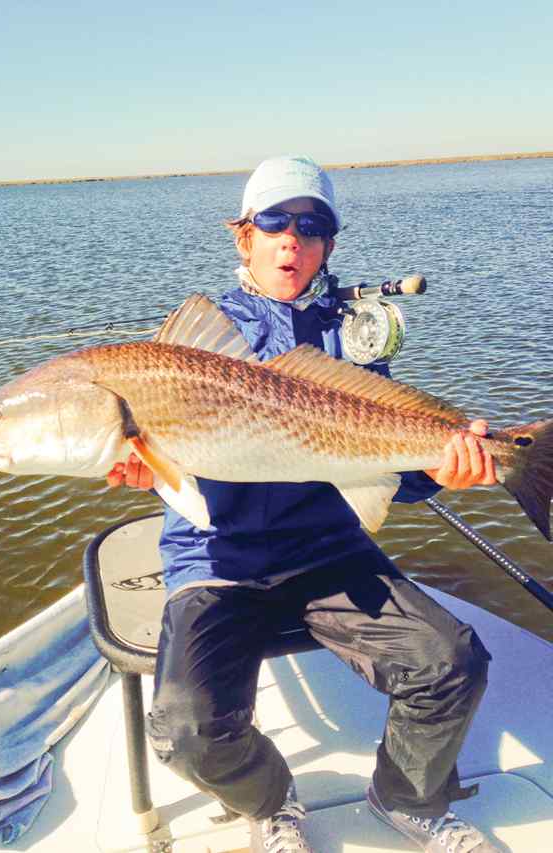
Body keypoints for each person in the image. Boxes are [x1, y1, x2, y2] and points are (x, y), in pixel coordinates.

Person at [108, 155, 500, 853]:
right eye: (274, 222)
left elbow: (388, 472)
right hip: (218, 558)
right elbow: (156, 458)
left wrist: (445, 471)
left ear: (328, 246)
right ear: (245, 236)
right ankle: (271, 802)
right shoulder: (192, 340)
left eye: (312, 227)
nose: (292, 239)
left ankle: (407, 798)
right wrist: (149, 466)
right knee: (185, 731)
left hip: (328, 551)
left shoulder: (348, 338)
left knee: (453, 660)